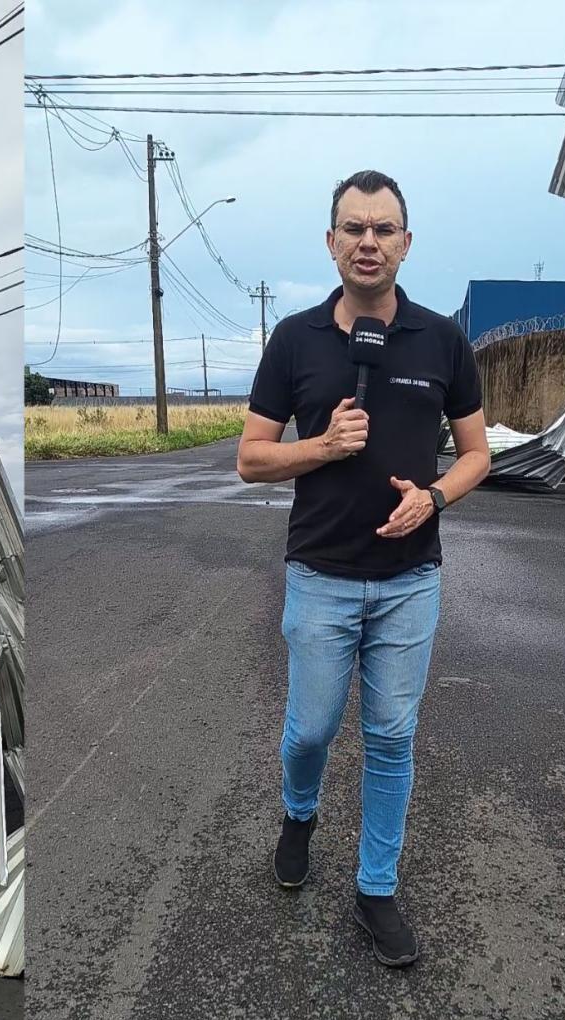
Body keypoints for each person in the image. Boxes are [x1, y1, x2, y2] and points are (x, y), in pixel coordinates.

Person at [236, 169, 491, 968]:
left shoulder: (442, 340)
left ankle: (375, 889)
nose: (368, 242)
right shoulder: (295, 340)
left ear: (406, 243)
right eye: (354, 228)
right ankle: (299, 813)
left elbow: (477, 453)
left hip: (411, 579)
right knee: (310, 729)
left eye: (383, 229)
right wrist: (320, 446)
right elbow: (250, 458)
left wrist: (435, 498)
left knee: (390, 736)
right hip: (320, 573)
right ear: (331, 242)